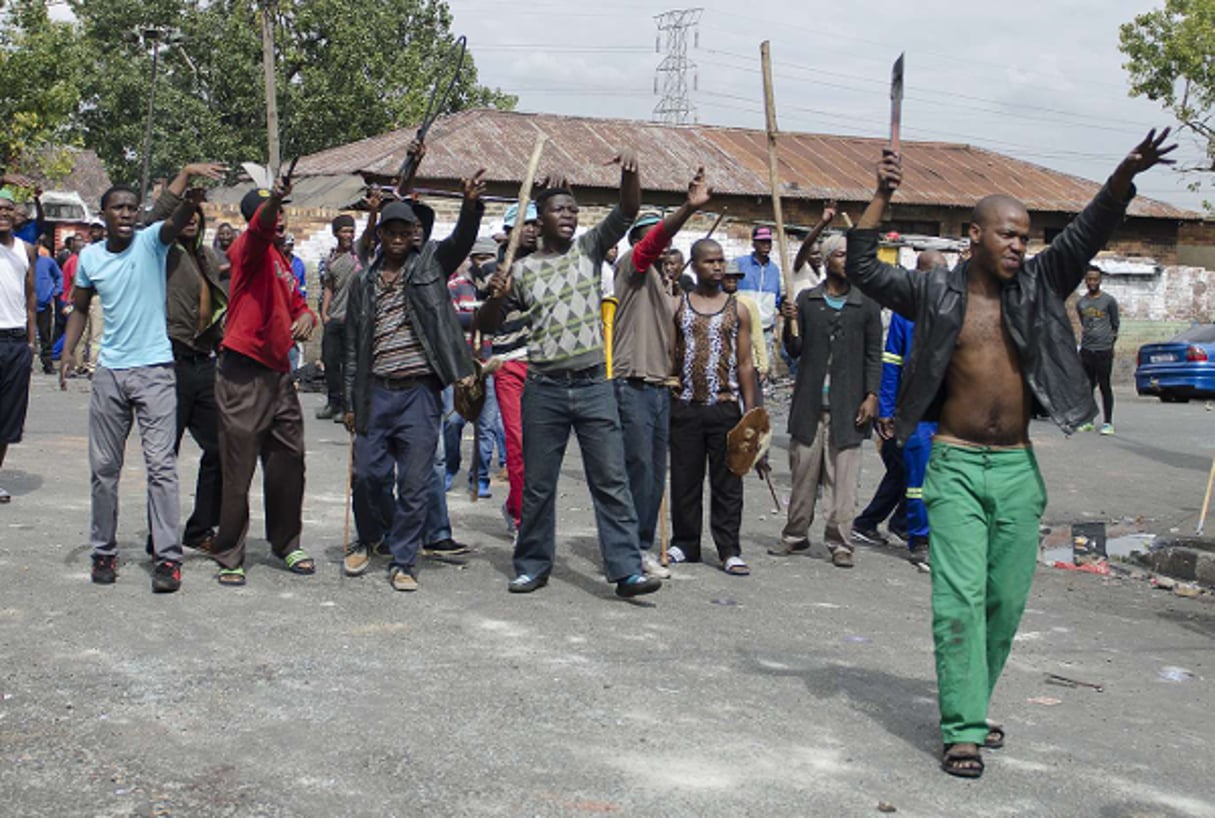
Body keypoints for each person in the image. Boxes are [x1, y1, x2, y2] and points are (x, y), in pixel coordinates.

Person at [846, 129, 1175, 778]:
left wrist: (1119, 178)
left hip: (1019, 470)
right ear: (973, 236)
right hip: (957, 464)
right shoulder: (932, 293)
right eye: (1007, 234)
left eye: (1024, 236)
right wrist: (880, 195)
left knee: (1004, 604)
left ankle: (972, 701)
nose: (1019, 245)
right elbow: (861, 266)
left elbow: (1086, 232)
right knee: (957, 601)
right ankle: (962, 728)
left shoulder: (1036, 284)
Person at [481, 153, 662, 599]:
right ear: (538, 220)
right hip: (543, 389)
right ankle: (532, 566)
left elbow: (628, 211)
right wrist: (496, 297)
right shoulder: (520, 270)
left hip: (592, 384)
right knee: (539, 485)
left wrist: (629, 174)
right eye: (560, 210)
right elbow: (487, 323)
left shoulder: (589, 248)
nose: (570, 216)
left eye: (574, 211)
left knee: (611, 479)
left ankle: (625, 571)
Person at [60, 166, 221, 592]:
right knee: (104, 469)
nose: (128, 214)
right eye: (119, 208)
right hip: (111, 374)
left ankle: (168, 559)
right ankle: (103, 551)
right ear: (104, 214)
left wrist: (190, 194)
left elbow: (172, 220)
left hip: (155, 372)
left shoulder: (152, 243)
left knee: (161, 467)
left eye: (133, 207)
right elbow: (79, 306)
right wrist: (68, 350)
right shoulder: (91, 258)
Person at [340, 172, 485, 591]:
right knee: (368, 475)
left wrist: (470, 205)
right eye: (392, 230)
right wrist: (349, 400)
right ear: (380, 234)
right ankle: (371, 538)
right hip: (375, 391)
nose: (399, 237)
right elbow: (352, 346)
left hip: (419, 393)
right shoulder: (364, 280)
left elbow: (460, 239)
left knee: (416, 482)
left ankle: (404, 559)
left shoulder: (429, 266)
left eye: (407, 231)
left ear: (415, 235)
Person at [209, 176, 318, 587]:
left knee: (289, 461)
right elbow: (258, 229)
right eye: (274, 213)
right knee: (238, 469)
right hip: (243, 371)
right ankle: (230, 552)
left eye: (283, 213)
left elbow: (299, 304)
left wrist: (307, 316)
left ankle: (286, 543)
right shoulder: (248, 249)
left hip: (279, 374)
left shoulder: (282, 261)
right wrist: (273, 201)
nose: (280, 219)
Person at [611, 170, 712, 580]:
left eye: (668, 241)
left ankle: (640, 545)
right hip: (631, 382)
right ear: (641, 240)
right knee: (636, 473)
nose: (665, 245)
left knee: (654, 476)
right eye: (657, 238)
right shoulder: (632, 268)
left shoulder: (669, 286)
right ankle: (627, 550)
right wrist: (687, 208)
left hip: (659, 388)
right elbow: (651, 244)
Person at [771, 233, 881, 568]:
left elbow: (874, 355)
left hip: (849, 406)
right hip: (809, 404)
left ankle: (840, 542)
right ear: (828, 258)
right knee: (803, 473)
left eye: (851, 257)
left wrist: (872, 396)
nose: (846, 262)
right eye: (841, 256)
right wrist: (788, 322)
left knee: (842, 479)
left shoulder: (866, 305)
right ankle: (795, 535)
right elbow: (795, 349)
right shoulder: (806, 301)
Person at [143, 164, 230, 555]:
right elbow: (159, 213)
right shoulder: (160, 252)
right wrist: (186, 176)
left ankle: (198, 530)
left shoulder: (208, 258)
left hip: (203, 363)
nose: (190, 222)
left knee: (221, 447)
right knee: (165, 455)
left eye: (196, 216)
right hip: (169, 363)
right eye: (185, 216)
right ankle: (159, 536)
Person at [666, 238, 759, 574]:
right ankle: (685, 543)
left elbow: (746, 364)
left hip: (725, 407)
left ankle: (729, 549)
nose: (718, 267)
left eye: (721, 261)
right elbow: (671, 355)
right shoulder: (679, 306)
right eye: (710, 262)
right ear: (695, 266)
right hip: (686, 407)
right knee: (685, 480)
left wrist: (752, 415)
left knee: (728, 482)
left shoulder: (739, 309)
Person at [473, 202, 540, 537]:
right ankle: (520, 518)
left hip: (544, 363)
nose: (531, 230)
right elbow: (486, 316)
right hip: (509, 361)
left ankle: (521, 507)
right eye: (524, 225)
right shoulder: (489, 268)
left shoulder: (547, 262)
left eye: (535, 224)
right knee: (516, 443)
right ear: (510, 230)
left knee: (540, 446)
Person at [0, 187, 37, 505]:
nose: (3, 213)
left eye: (8, 208)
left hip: (15, 342)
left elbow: (30, 297)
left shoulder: (25, 250)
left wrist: (31, 341)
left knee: (7, 418)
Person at [317, 215, 362, 419]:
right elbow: (328, 287)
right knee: (330, 361)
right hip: (334, 318)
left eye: (351, 231)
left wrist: (371, 212)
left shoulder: (360, 253)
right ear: (336, 233)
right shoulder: (332, 259)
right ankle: (333, 402)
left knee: (350, 364)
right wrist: (324, 314)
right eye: (345, 231)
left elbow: (371, 230)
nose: (349, 235)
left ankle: (347, 407)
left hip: (353, 319)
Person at [1076, 264, 1119, 435]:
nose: (1092, 282)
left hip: (1104, 350)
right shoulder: (1081, 303)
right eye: (1089, 279)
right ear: (1085, 281)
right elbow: (1083, 323)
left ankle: (1108, 422)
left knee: (1104, 385)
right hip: (1087, 349)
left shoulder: (1108, 301)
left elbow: (1115, 324)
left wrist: (1110, 344)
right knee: (1087, 387)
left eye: (1095, 279)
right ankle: (1088, 421)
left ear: (1100, 280)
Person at [734, 225, 784, 366]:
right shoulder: (740, 264)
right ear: (753, 243)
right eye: (762, 241)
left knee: (762, 367)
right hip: (742, 328)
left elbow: (777, 299)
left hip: (765, 330)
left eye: (768, 242)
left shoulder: (774, 270)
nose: (766, 245)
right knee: (741, 365)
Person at [722, 260, 769, 382]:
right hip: (723, 365)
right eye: (728, 277)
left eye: (735, 277)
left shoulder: (747, 304)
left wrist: (763, 365)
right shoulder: (715, 303)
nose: (732, 280)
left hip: (747, 363)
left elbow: (757, 334)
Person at [33, 238, 63, 374]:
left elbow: (59, 276)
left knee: (45, 336)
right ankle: (24, 364)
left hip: (44, 305)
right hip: (24, 306)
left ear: (39, 245)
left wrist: (56, 291)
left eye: (35, 244)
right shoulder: (22, 261)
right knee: (24, 336)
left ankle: (48, 364)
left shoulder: (48, 262)